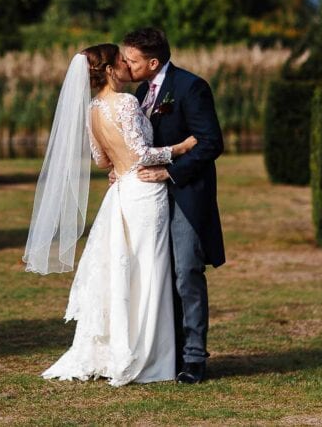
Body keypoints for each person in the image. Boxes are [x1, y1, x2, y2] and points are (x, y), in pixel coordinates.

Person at [23, 43, 197, 386]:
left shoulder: (91, 110)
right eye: (121, 61)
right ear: (108, 70)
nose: (127, 66)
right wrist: (182, 147)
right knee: (148, 270)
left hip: (121, 192)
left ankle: (120, 346)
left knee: (125, 269)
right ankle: (148, 356)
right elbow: (144, 154)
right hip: (145, 193)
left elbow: (102, 160)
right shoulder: (128, 103)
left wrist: (119, 167)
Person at [122, 27, 225, 384]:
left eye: (131, 60)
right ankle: (170, 352)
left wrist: (171, 173)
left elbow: (211, 143)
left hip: (185, 194)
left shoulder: (190, 87)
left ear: (153, 62)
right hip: (148, 200)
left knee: (186, 273)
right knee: (158, 275)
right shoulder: (138, 92)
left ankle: (195, 357)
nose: (125, 64)